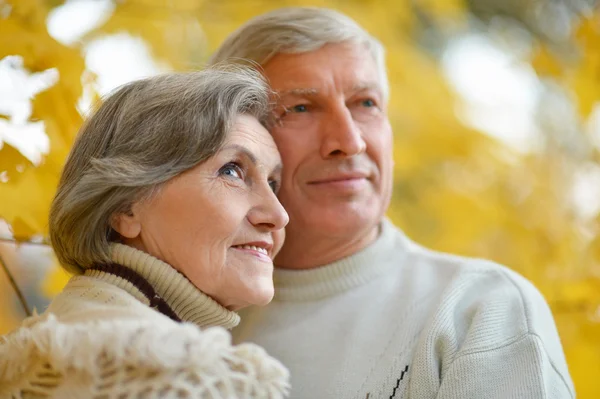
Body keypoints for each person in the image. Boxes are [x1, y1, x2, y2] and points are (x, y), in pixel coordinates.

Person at [209, 7, 575, 399]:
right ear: (236, 143)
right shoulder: (180, 319)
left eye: (365, 103)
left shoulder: (480, 311)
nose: (349, 141)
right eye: (299, 108)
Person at [0, 67, 290, 398]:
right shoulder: (192, 378)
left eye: (273, 184)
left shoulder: (29, 353)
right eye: (232, 171)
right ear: (125, 206)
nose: (279, 215)